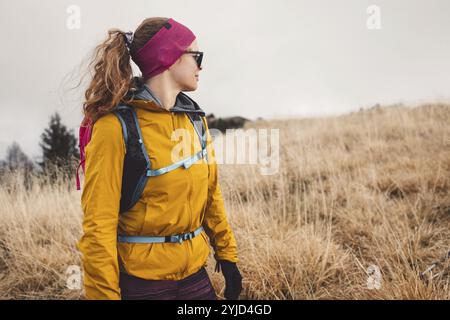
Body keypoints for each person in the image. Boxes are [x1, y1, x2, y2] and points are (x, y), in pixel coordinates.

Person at [76, 17, 242, 300]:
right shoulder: (114, 127)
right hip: (143, 284)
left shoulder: (194, 122)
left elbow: (211, 194)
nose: (201, 66)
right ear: (169, 56)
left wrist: (227, 256)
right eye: (196, 56)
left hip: (195, 277)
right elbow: (98, 227)